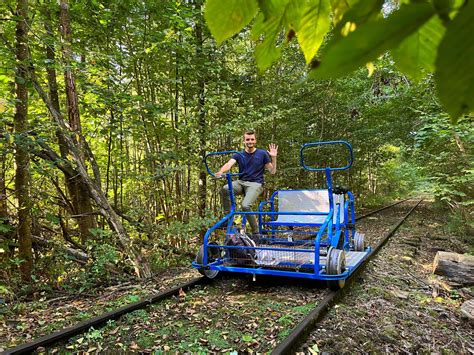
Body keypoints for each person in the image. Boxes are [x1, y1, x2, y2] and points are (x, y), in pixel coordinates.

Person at [215, 130, 278, 234]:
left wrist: (274, 157)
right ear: (244, 141)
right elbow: (229, 164)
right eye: (247, 139)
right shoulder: (239, 154)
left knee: (245, 205)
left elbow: (272, 171)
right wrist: (221, 171)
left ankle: (256, 232)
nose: (250, 141)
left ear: (255, 140)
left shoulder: (262, 154)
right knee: (225, 189)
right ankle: (228, 219)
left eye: (252, 139)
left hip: (256, 183)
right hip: (241, 182)